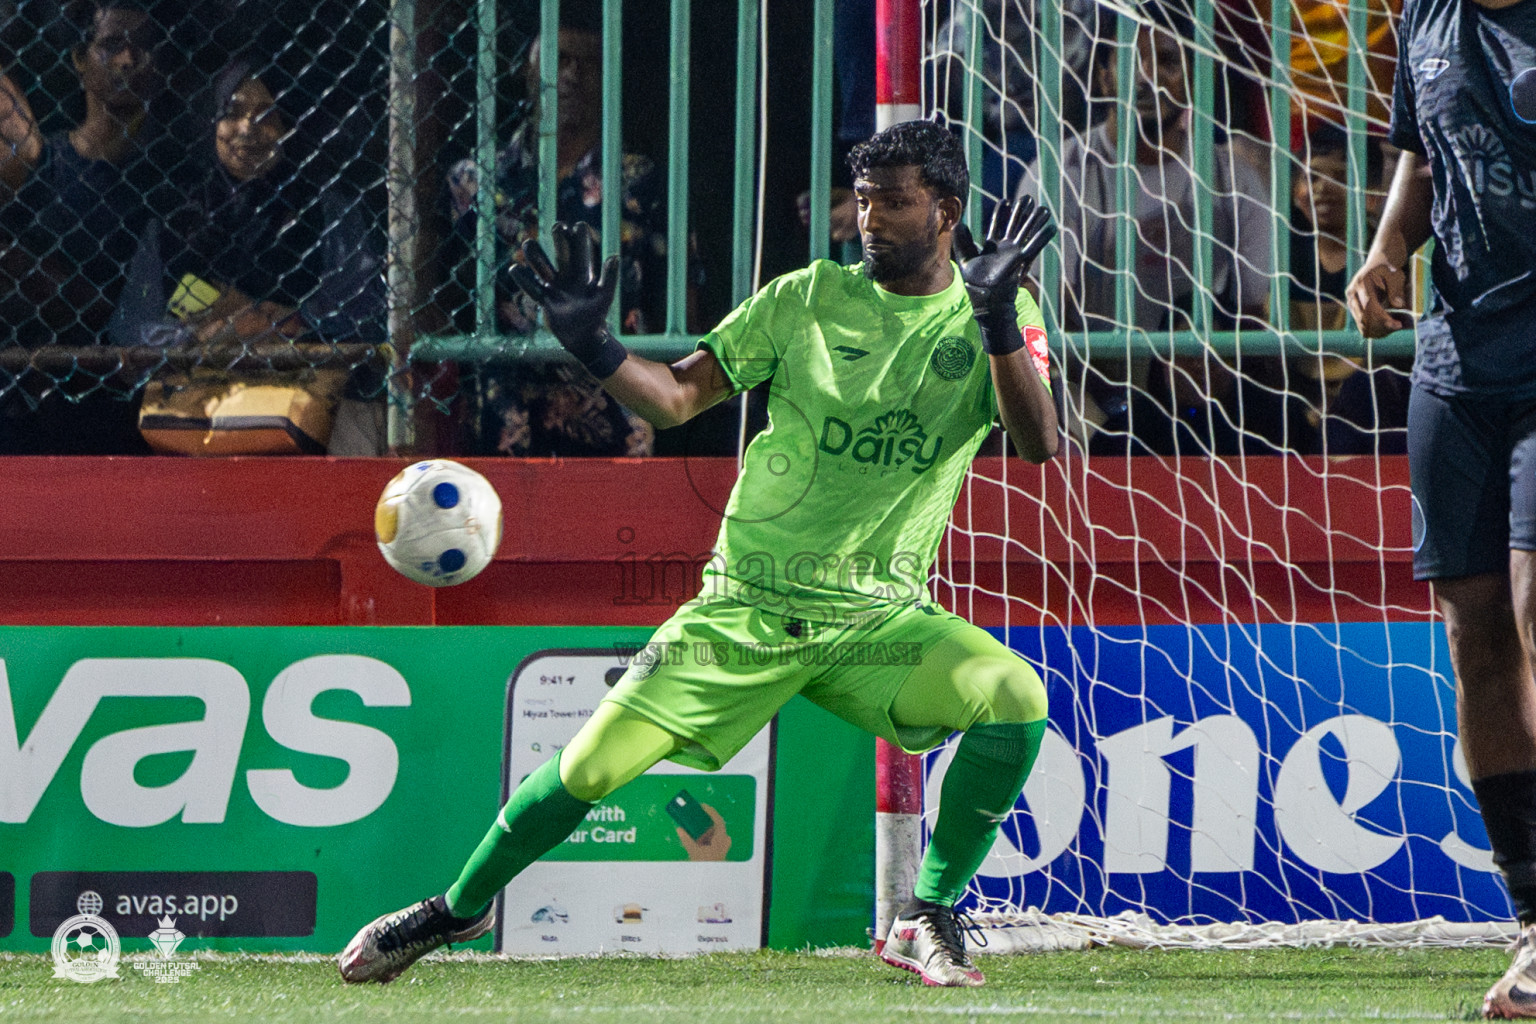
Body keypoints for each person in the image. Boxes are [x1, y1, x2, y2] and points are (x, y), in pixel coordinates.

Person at [338, 120, 1058, 988]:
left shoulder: (1001, 306)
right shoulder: (805, 299)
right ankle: (457, 908)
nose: (870, 220)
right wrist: (596, 347)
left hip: (878, 618)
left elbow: (1038, 443)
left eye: (895, 203)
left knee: (1015, 698)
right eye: (863, 200)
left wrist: (993, 320)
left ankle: (925, 913)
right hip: (745, 608)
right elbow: (678, 396)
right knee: (587, 769)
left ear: (945, 211)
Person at [1345, 0, 1536, 1016]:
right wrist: (1386, 250)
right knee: (1474, 636)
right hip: (1456, 362)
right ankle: (1532, 909)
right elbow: (1420, 152)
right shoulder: (1426, 15)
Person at [1018, 12, 1276, 456]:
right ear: (1102, 78)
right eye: (1131, 61)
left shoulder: (1233, 179)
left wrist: (1216, 370)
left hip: (1203, 399)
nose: (1149, 78)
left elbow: (1255, 316)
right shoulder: (1061, 174)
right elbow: (1045, 317)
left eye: (1168, 61)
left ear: (1194, 79)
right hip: (1091, 397)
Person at [113, 55, 388, 454]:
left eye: (267, 115)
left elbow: (367, 310)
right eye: (232, 113)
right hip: (195, 424)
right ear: (212, 125)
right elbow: (129, 327)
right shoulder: (176, 222)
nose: (247, 129)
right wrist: (200, 336)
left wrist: (281, 322)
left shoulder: (327, 208)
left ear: (289, 126)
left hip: (305, 421)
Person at [441, 4, 671, 458]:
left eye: (590, 64)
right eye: (559, 58)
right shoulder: (474, 181)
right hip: (503, 399)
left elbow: (679, 293)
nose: (572, 75)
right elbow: (446, 293)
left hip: (612, 399)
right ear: (525, 69)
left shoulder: (643, 180)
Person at [0, 0, 181, 453]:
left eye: (142, 47)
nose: (126, 59)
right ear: (80, 59)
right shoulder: (46, 169)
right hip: (38, 407)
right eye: (111, 44)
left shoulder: (176, 178)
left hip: (144, 410)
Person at [1285, 122, 1407, 455]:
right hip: (1299, 400)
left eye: (1338, 177)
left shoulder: (1384, 256)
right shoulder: (1285, 255)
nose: (1321, 189)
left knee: (1360, 395)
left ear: (1367, 194)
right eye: (1311, 178)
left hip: (1365, 403)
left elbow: (1389, 356)